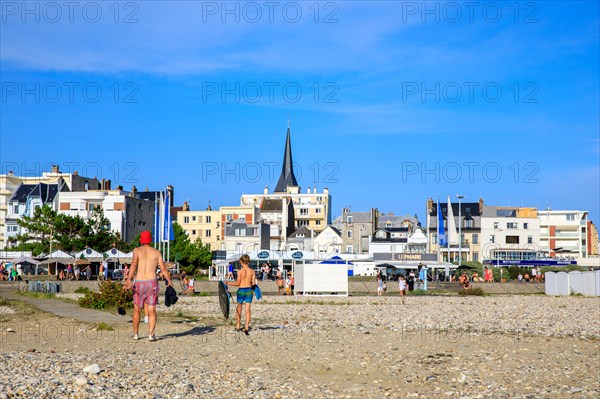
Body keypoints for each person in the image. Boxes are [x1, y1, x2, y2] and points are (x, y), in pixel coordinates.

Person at [125, 231, 173, 341]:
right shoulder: (156, 252)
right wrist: (169, 280)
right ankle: (151, 334)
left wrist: (128, 279)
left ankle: (136, 334)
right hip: (152, 282)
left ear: (141, 240)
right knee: (152, 309)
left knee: (137, 310)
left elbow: (133, 265)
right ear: (150, 240)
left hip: (139, 281)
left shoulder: (137, 250)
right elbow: (163, 268)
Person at [225, 254, 256, 335]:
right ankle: (246, 327)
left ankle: (238, 325)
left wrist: (228, 283)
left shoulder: (240, 272)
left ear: (241, 262)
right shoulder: (252, 271)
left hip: (241, 290)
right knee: (248, 310)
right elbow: (253, 284)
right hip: (249, 290)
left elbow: (238, 283)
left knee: (239, 308)